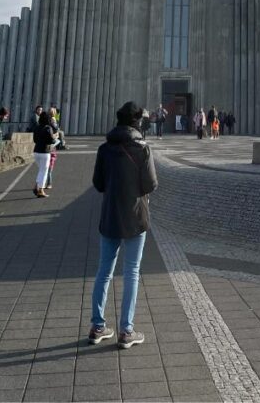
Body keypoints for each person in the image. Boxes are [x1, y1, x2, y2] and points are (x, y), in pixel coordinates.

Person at [89, 101, 158, 349]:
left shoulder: (104, 149)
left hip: (109, 216)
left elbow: (98, 183)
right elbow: (150, 184)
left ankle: (97, 327)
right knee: (131, 272)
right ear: (137, 123)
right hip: (135, 217)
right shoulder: (142, 149)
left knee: (103, 271)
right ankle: (126, 331)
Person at [33, 111, 56, 198]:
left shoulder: (37, 127)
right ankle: (40, 190)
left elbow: (34, 140)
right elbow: (51, 141)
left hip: (36, 151)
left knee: (41, 170)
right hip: (45, 152)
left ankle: (37, 187)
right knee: (44, 171)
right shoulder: (48, 128)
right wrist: (54, 137)